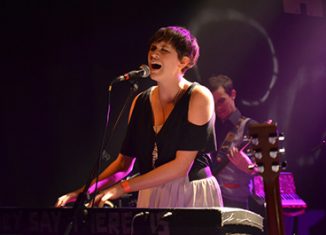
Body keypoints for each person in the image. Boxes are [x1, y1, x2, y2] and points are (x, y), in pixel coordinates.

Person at [55, 26, 223, 208]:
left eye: (164, 50)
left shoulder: (199, 96)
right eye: (153, 48)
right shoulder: (141, 101)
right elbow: (123, 164)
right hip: (150, 190)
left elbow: (181, 167)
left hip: (191, 191)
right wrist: (83, 191)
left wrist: (122, 188)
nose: (154, 55)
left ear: (184, 61)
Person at [208, 74, 256, 210]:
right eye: (214, 103)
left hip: (236, 204)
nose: (218, 108)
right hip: (209, 200)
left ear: (233, 94)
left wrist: (249, 168)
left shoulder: (250, 127)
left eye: (222, 101)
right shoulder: (210, 126)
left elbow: (267, 177)